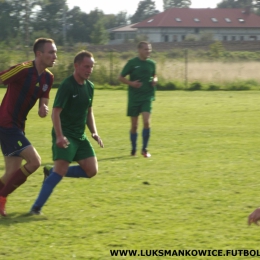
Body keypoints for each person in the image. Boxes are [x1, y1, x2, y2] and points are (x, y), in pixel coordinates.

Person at [30, 50, 103, 215]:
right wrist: (60, 136)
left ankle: (51, 171)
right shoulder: (67, 86)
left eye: (91, 67)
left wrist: (94, 132)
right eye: (86, 66)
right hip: (65, 134)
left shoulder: (90, 87)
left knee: (91, 170)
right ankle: (36, 208)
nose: (89, 70)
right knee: (61, 169)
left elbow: (88, 111)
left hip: (80, 136)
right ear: (76, 66)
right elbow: (55, 112)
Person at [0, 38, 57, 216]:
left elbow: (44, 99)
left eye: (55, 52)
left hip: (18, 126)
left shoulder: (49, 77)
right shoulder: (23, 69)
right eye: (51, 52)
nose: (55, 56)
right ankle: (1, 199)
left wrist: (44, 107)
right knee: (35, 162)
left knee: (11, 173)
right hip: (6, 123)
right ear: (39, 54)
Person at [118, 41, 157, 158]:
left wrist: (155, 80)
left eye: (149, 49)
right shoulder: (132, 63)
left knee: (146, 122)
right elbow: (120, 77)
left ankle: (144, 149)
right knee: (134, 125)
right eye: (146, 49)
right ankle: (133, 149)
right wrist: (131, 83)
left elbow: (154, 74)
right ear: (139, 50)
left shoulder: (152, 63)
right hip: (134, 98)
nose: (148, 51)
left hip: (147, 97)